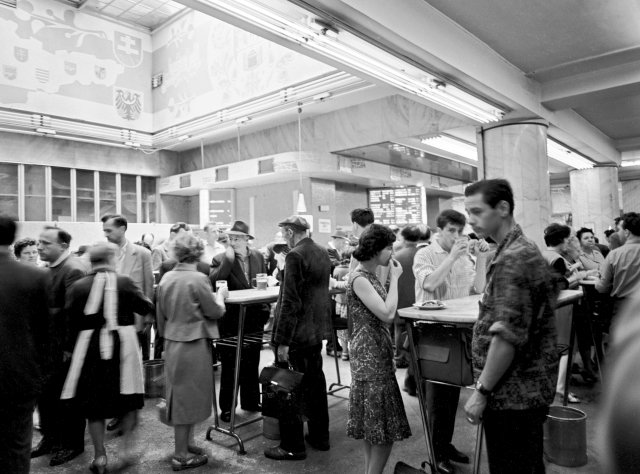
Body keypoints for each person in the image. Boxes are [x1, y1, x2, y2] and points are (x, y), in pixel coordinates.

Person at [462, 179, 559, 474]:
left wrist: (482, 391)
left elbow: (507, 336)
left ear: (502, 208)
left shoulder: (514, 258)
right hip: (522, 390)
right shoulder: (517, 249)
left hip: (514, 394)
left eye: (477, 211)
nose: (471, 220)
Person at [60, 242, 154, 474]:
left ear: (91, 261)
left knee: (94, 405)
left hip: (88, 349)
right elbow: (144, 307)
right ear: (112, 260)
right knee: (129, 399)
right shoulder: (124, 282)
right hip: (123, 347)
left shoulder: (78, 286)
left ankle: (100, 456)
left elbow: (69, 323)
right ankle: (125, 451)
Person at [412, 210, 490, 474]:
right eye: (451, 231)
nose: (457, 237)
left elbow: (478, 289)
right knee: (436, 396)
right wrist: (453, 256)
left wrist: (481, 259)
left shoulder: (465, 255)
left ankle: (444, 445)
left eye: (460, 231)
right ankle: (436, 456)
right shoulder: (424, 254)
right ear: (439, 231)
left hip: (458, 331)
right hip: (432, 332)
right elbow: (431, 284)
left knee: (452, 391)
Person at [156, 234, 227, 471]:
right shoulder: (198, 278)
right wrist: (221, 297)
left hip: (173, 342)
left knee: (180, 396)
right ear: (197, 253)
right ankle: (181, 455)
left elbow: (161, 315)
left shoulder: (167, 277)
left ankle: (186, 444)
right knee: (190, 397)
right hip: (194, 344)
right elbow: (214, 311)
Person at [266, 215, 332, 461]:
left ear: (291, 232)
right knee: (316, 385)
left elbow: (291, 301)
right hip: (315, 332)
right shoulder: (322, 252)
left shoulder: (294, 255)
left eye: (284, 233)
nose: (283, 237)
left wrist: (282, 340)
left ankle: (292, 446)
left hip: (295, 334)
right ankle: (319, 437)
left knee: (288, 387)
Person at [346, 224, 411, 474]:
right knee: (382, 428)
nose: (392, 253)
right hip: (370, 355)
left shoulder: (367, 274)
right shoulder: (361, 278)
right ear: (375, 250)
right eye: (388, 247)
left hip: (371, 351)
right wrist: (395, 278)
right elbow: (387, 313)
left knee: (372, 425)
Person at [0, 216, 51, 474]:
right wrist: (41, 371)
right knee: (19, 442)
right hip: (21, 374)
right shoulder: (35, 276)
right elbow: (46, 331)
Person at [33, 225, 87, 466]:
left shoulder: (72, 270)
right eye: (39, 242)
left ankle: (72, 444)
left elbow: (73, 314)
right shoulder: (48, 270)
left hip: (65, 347)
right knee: (47, 396)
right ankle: (50, 438)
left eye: (46, 243)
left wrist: (68, 347)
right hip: (47, 346)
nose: (39, 247)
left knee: (68, 397)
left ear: (63, 246)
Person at [210, 220, 270, 422]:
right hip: (231, 319)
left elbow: (264, 280)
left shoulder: (259, 256)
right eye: (231, 238)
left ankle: (251, 401)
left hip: (254, 317)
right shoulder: (220, 258)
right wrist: (228, 260)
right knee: (230, 363)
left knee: (252, 361)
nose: (233, 241)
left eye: (237, 238)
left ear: (247, 239)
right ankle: (227, 407)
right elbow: (214, 282)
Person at [101, 214, 154, 434]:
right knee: (114, 367)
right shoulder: (104, 254)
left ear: (123, 228)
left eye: (109, 230)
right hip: (111, 320)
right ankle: (118, 411)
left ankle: (131, 409)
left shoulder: (141, 253)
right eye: (104, 230)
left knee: (135, 365)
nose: (106, 234)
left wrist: (149, 316)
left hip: (135, 318)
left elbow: (149, 286)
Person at [542, 224, 595, 402]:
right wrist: (576, 277)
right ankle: (560, 389)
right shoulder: (556, 258)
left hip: (549, 308)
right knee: (564, 348)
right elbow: (559, 285)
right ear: (562, 240)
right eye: (567, 239)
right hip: (562, 307)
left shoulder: (543, 254)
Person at [596, 212, 640, 323]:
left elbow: (602, 287)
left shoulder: (614, 255)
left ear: (626, 232)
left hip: (624, 310)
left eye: (618, 230)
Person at [393, 224, 426, 370]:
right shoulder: (423, 254)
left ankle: (400, 358)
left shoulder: (397, 256)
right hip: (419, 299)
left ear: (403, 237)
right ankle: (416, 357)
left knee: (400, 328)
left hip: (401, 298)